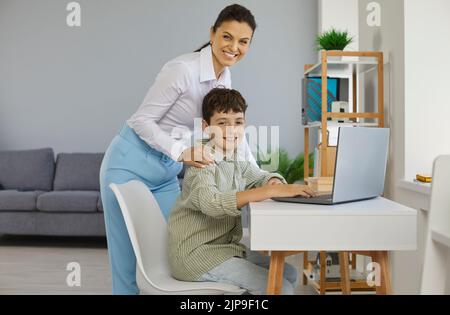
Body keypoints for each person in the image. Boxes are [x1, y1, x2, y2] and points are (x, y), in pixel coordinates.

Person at [99, 4, 262, 295]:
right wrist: (181, 151)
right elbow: (141, 121)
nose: (234, 47)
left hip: (165, 173)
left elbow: (235, 137)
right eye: (227, 37)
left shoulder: (224, 78)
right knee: (127, 265)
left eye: (243, 41)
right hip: (129, 162)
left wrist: (260, 176)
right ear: (212, 34)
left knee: (172, 251)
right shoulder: (182, 70)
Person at [168, 88, 316, 295]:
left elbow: (258, 176)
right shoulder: (202, 162)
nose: (231, 130)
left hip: (225, 249)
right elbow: (212, 203)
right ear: (206, 127)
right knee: (280, 287)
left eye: (238, 122)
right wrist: (266, 192)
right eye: (222, 123)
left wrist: (273, 181)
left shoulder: (235, 157)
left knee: (288, 273)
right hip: (196, 255)